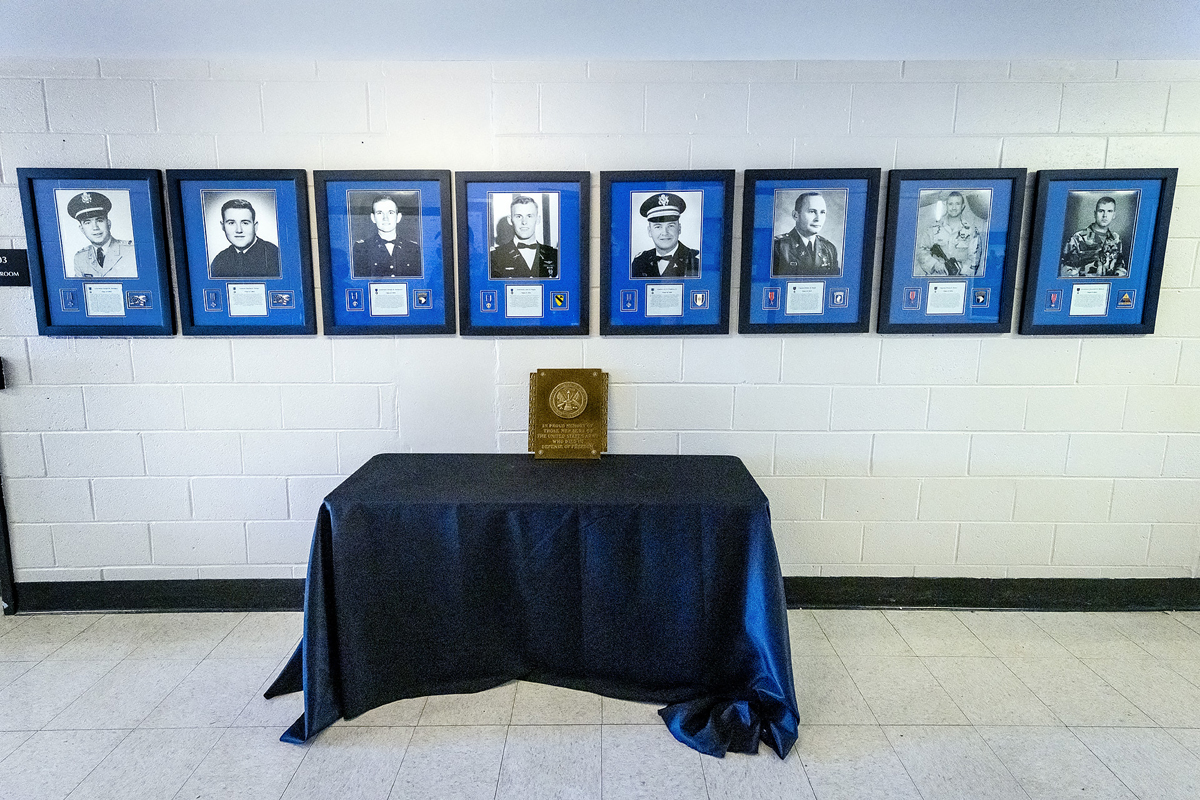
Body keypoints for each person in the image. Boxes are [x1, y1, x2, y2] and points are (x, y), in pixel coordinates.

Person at [66, 191, 137, 278]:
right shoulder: (80, 258)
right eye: (87, 222)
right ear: (82, 229)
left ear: (108, 223)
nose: (95, 227)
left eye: (99, 220)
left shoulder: (132, 251)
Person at [914, 191, 984, 277]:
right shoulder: (933, 228)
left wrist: (960, 269)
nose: (953, 207)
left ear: (963, 207)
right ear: (946, 206)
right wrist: (935, 264)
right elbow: (921, 250)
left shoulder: (971, 231)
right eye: (950, 204)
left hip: (960, 279)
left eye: (957, 204)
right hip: (936, 278)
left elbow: (974, 259)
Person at [630, 192, 699, 278]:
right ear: (649, 231)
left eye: (670, 226)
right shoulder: (640, 262)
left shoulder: (695, 261)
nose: (665, 232)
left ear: (679, 228)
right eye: (658, 226)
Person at [209, 198, 282, 279]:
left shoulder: (274, 255)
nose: (239, 230)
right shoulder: (219, 261)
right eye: (231, 223)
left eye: (245, 223)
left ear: (255, 226)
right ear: (223, 226)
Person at [488, 195, 558, 279]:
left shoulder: (554, 255)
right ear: (510, 220)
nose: (524, 222)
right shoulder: (495, 256)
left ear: (538, 219)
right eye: (518, 216)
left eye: (529, 216)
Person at [352, 194, 422, 278]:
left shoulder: (413, 248)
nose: (386, 218)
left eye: (390, 213)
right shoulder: (362, 248)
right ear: (373, 218)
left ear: (398, 217)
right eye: (380, 213)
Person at [771, 192, 839, 276]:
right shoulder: (777, 247)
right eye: (812, 211)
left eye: (822, 212)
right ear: (795, 215)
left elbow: (835, 283)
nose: (818, 218)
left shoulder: (830, 249)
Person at [1060, 196, 1128, 277]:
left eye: (1109, 211)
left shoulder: (1116, 239)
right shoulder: (1077, 238)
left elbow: (1120, 267)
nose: (1105, 215)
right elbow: (1066, 271)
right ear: (1095, 214)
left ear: (1114, 215)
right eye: (1101, 211)